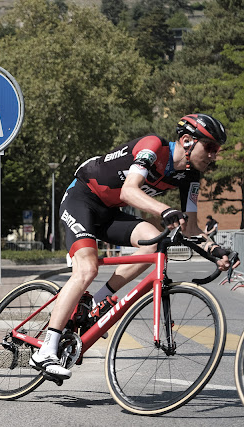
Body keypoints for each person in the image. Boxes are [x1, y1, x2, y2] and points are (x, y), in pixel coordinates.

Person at [30, 113, 240, 380]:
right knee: (87, 269)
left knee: (152, 243)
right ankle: (46, 349)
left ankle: (96, 302)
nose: (213, 155)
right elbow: (130, 191)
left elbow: (191, 228)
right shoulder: (153, 147)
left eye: (216, 150)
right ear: (187, 141)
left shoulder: (190, 178)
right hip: (82, 198)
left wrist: (215, 251)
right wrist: (165, 209)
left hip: (109, 213)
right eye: (209, 147)